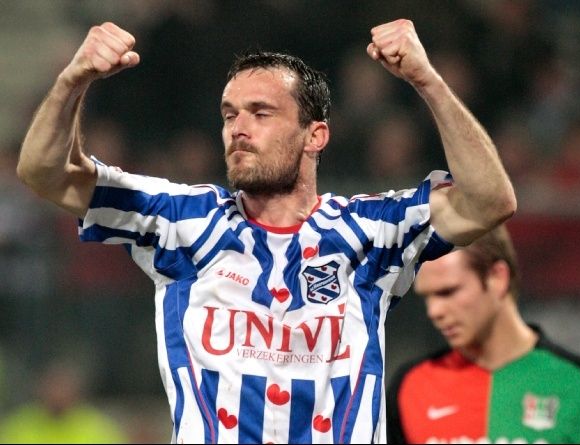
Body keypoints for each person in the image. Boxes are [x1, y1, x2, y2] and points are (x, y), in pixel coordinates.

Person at [16, 19, 516, 444]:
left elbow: (490, 201)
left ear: (315, 135)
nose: (238, 127)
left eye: (261, 113)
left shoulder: (370, 232)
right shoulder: (183, 222)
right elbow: (45, 172)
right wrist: (74, 80)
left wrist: (427, 80)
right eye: (229, 114)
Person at [386, 225, 580, 444]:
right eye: (427, 297)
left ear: (497, 277)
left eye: (448, 292)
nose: (434, 311)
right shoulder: (410, 387)